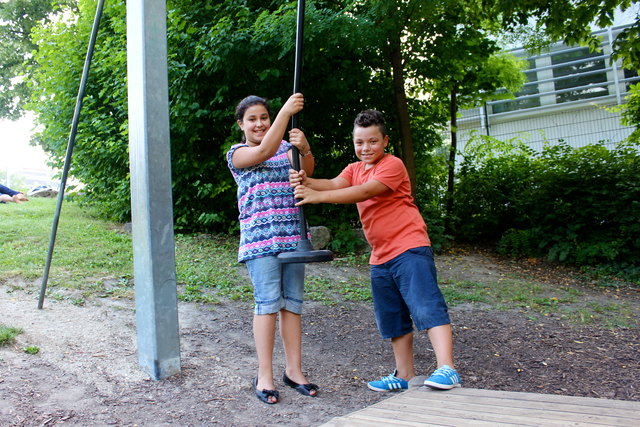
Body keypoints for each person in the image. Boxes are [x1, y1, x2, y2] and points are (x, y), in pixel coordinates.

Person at [289, 109, 461, 392]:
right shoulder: (354, 168)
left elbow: (364, 192)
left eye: (372, 142)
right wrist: (306, 181)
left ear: (385, 141)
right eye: (359, 142)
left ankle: (447, 368)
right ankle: (404, 376)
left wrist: (316, 197)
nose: (365, 148)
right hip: (380, 256)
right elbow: (333, 183)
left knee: (426, 306)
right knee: (393, 317)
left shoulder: (392, 165)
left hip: (409, 248)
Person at [226, 93, 319, 405]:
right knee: (267, 304)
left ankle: (294, 371)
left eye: (264, 117)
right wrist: (286, 111)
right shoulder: (238, 153)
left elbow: (307, 172)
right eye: (252, 119)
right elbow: (264, 150)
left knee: (292, 304)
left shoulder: (285, 147)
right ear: (241, 124)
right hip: (260, 240)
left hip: (292, 235)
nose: (260, 123)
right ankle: (264, 374)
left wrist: (304, 149)